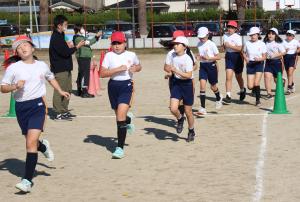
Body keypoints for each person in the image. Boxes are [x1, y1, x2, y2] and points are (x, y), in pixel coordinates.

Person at [0, 35, 70, 192]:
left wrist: (60, 90)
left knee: (30, 143)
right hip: (21, 108)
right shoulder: (14, 68)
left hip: (38, 105)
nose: (22, 48)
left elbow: (50, 78)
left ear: (32, 48)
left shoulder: (42, 65)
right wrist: (14, 87)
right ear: (17, 53)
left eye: (25, 45)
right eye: (18, 47)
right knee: (32, 142)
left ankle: (27, 180)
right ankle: (43, 146)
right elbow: (3, 88)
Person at [100, 32, 142, 159]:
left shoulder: (131, 55)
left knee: (119, 118)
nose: (117, 46)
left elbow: (139, 66)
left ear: (125, 43)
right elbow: (102, 74)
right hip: (113, 86)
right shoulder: (108, 56)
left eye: (119, 43)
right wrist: (118, 69)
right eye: (114, 43)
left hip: (126, 86)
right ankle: (128, 120)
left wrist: (136, 69)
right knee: (119, 115)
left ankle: (119, 148)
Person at [49, 15, 85, 120]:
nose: (66, 26)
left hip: (66, 67)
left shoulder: (61, 35)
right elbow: (65, 52)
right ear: (59, 25)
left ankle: (64, 110)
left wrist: (70, 46)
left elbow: (65, 50)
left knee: (68, 89)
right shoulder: (56, 37)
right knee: (60, 90)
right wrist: (76, 47)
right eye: (65, 24)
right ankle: (57, 112)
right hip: (60, 69)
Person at [163, 30, 197, 133]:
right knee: (174, 107)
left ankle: (191, 130)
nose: (175, 44)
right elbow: (167, 67)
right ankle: (180, 119)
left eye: (177, 43)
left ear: (184, 45)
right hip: (176, 82)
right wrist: (170, 73)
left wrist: (187, 69)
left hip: (187, 82)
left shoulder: (188, 55)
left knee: (188, 110)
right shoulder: (171, 54)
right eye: (174, 42)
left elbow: (193, 68)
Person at [196, 27, 222, 115]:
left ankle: (218, 98)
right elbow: (200, 55)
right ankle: (203, 108)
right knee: (202, 86)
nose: (201, 39)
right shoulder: (198, 44)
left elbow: (219, 57)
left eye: (203, 37)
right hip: (203, 66)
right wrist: (198, 57)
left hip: (211, 66)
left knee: (213, 86)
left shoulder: (211, 44)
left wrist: (209, 58)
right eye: (200, 37)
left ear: (207, 35)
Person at [73, 24, 102, 98]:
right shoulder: (78, 38)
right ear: (78, 29)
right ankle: (84, 91)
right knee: (84, 74)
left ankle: (80, 89)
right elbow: (89, 42)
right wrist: (96, 36)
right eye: (82, 28)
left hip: (84, 57)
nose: (84, 30)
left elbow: (89, 42)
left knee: (81, 73)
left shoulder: (80, 37)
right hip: (83, 57)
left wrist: (97, 37)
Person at [222, 21, 246, 103]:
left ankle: (242, 89)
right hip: (229, 56)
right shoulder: (225, 35)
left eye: (232, 28)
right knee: (228, 76)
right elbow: (224, 46)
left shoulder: (237, 37)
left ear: (235, 29)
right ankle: (228, 95)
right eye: (229, 27)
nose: (230, 29)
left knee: (238, 76)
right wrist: (224, 47)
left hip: (237, 57)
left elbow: (240, 49)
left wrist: (230, 46)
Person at [242, 27, 267, 106]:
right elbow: (243, 52)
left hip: (259, 63)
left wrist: (259, 59)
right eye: (251, 35)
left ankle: (258, 100)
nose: (252, 36)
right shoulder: (247, 43)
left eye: (254, 35)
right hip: (250, 64)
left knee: (256, 83)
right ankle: (253, 90)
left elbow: (265, 56)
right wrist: (246, 58)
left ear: (258, 35)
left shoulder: (262, 44)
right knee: (250, 86)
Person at [263, 28, 286, 99]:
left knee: (276, 80)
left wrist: (275, 55)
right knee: (267, 76)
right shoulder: (264, 42)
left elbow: (284, 52)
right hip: (268, 62)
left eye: (273, 34)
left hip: (277, 62)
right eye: (269, 33)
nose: (270, 35)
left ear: (276, 35)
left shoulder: (278, 43)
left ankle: (282, 82)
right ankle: (269, 93)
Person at [283, 29, 300, 94]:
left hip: (293, 57)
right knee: (288, 73)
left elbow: (299, 48)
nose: (288, 36)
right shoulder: (283, 41)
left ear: (293, 36)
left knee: (290, 72)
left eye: (290, 35)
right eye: (287, 35)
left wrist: (297, 51)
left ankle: (289, 87)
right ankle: (292, 84)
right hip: (285, 57)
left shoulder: (296, 42)